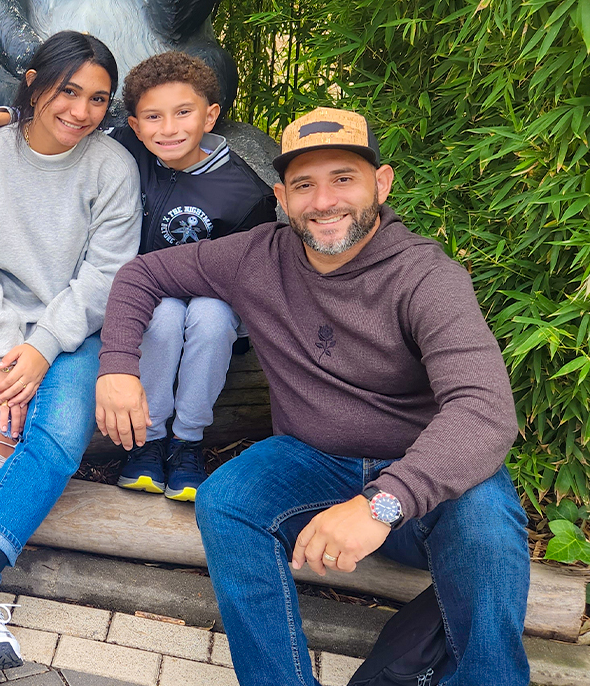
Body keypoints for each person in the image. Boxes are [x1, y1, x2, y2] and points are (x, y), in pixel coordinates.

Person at [95, 106, 529, 685]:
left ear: (383, 182)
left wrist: (383, 503)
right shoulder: (257, 255)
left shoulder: (426, 276)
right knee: (225, 500)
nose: (324, 201)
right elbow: (141, 275)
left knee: (489, 528)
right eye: (304, 184)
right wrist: (119, 368)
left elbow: (484, 410)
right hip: (313, 460)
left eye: (343, 178)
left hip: (422, 474)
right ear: (281, 195)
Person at [0, 30, 140, 675]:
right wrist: (3, 348)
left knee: (59, 433)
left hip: (70, 333)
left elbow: (105, 274)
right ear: (36, 82)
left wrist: (40, 349)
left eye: (99, 99)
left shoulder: (111, 167)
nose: (81, 111)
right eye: (68, 91)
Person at [0, 52, 274, 501]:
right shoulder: (124, 147)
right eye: (153, 117)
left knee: (210, 314)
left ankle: (187, 441)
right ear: (137, 124)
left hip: (212, 308)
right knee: (161, 315)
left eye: (184, 113)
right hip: (138, 305)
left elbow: (248, 278)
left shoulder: (245, 194)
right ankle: (148, 439)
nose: (169, 128)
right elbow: (58, 118)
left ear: (211, 115)